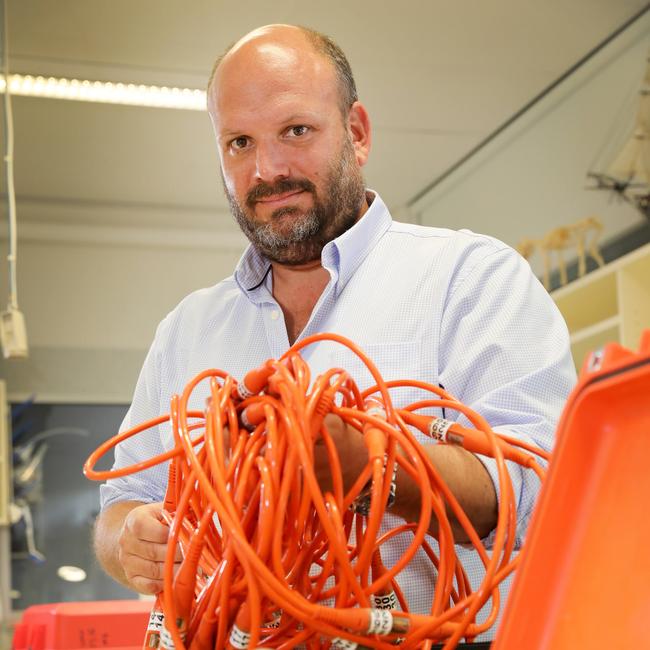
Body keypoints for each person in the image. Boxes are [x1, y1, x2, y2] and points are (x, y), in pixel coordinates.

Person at [94, 24, 576, 635]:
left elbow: (538, 494)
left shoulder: (472, 278)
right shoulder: (186, 330)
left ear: (356, 133)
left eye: (296, 131)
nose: (268, 169)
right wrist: (132, 542)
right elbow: (121, 504)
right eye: (240, 142)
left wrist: (371, 466)